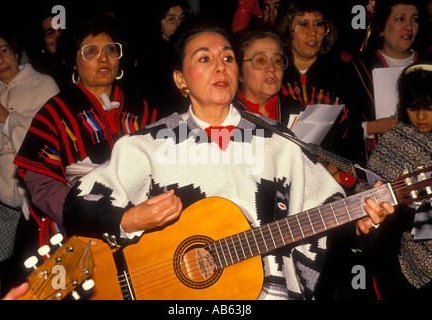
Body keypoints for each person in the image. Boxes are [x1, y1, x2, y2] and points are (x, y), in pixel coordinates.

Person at [63, 18, 394, 300]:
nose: (220, 66)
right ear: (181, 79)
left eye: (228, 58)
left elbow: (329, 223)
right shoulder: (146, 145)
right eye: (204, 59)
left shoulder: (280, 144)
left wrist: (363, 226)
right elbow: (78, 207)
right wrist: (129, 220)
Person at [13, 13, 158, 247]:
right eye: (90, 52)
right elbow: (42, 185)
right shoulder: (54, 113)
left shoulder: (143, 111)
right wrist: (88, 215)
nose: (104, 59)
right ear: (73, 60)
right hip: (80, 232)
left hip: (143, 228)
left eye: (111, 50)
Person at [0, 30, 59, 298]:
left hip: (34, 204)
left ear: (15, 51)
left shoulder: (43, 85)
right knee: (8, 277)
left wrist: (7, 118)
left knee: (36, 277)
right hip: (2, 204)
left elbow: (47, 143)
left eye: (3, 51)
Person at [354, 63, 431, 299]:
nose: (420, 117)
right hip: (401, 257)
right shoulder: (396, 138)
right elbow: (362, 193)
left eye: (429, 108)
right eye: (412, 108)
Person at [277, 0, 361, 188]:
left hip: (331, 177)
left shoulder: (343, 74)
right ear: (287, 28)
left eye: (319, 24)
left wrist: (337, 165)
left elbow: (353, 132)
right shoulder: (274, 72)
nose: (313, 32)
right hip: (283, 175)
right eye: (303, 24)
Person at [349, 0, 421, 166]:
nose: (409, 27)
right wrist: (372, 127)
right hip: (378, 165)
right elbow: (340, 131)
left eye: (414, 19)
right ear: (381, 27)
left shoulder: (427, 65)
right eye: (400, 19)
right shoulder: (357, 69)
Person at [135, 0, 191, 118]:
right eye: (171, 19)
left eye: (182, 18)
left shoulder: (189, 49)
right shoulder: (149, 55)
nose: (179, 23)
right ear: (159, 22)